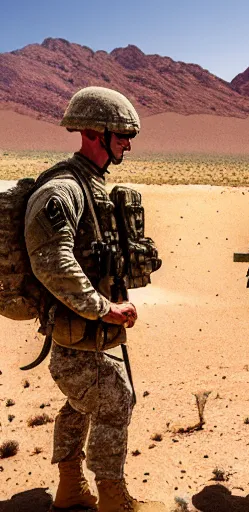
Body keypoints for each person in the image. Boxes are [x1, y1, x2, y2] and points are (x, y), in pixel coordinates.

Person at [24, 86, 165, 511]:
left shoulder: (91, 184)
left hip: (86, 335)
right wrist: (105, 307)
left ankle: (70, 490)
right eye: (120, 134)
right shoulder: (64, 189)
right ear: (92, 133)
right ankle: (112, 497)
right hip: (76, 335)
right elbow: (50, 259)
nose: (127, 143)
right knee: (116, 400)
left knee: (80, 404)